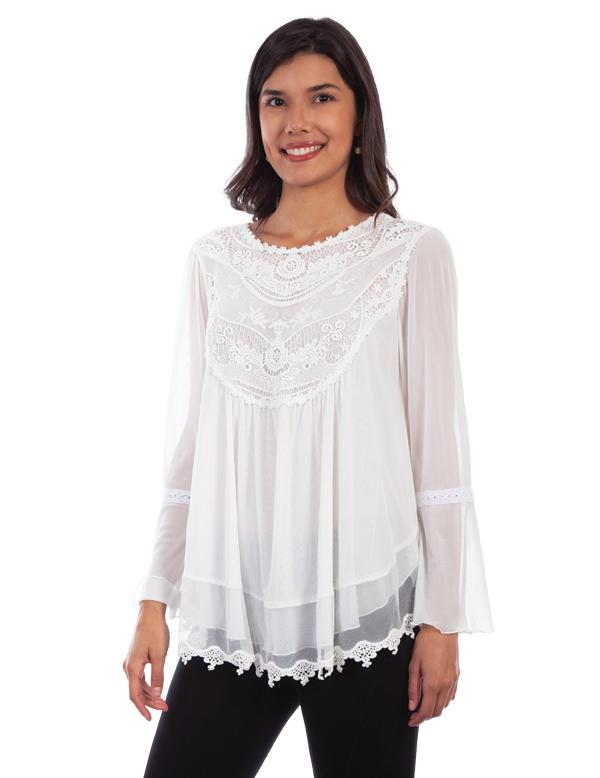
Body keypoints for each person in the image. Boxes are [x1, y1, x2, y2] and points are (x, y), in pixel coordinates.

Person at [123, 16, 494, 778]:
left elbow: (438, 454)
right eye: (275, 101)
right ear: (255, 119)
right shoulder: (214, 263)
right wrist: (154, 599)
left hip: (368, 606)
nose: (297, 122)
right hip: (237, 611)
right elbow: (189, 456)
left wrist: (443, 620)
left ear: (360, 116)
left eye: (322, 97)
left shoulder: (412, 255)